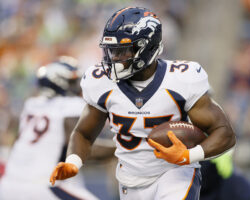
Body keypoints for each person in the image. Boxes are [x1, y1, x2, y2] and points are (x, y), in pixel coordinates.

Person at [50, 7, 236, 200]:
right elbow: (84, 133)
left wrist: (189, 155)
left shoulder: (182, 79)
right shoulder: (100, 82)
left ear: (147, 47)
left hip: (174, 175)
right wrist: (73, 161)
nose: (114, 58)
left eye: (122, 51)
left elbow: (225, 133)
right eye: (111, 50)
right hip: (129, 180)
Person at [0, 56, 99, 200]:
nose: (78, 85)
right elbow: (88, 145)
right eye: (73, 81)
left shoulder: (31, 104)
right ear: (61, 82)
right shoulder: (71, 106)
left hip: (9, 183)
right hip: (42, 185)